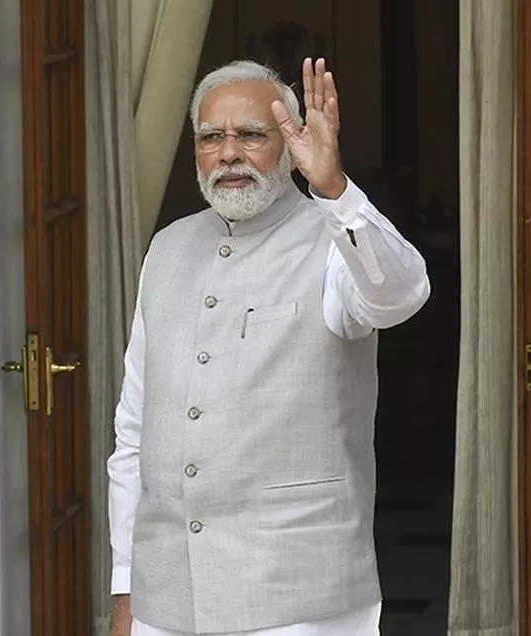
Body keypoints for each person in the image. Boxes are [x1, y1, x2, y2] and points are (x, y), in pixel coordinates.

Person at [107, 59, 430, 636]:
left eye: (251, 135)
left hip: (298, 596)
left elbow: (400, 296)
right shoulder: (167, 248)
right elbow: (134, 430)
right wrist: (126, 582)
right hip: (167, 596)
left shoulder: (333, 237)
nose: (229, 153)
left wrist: (334, 189)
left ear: (289, 143)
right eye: (211, 137)